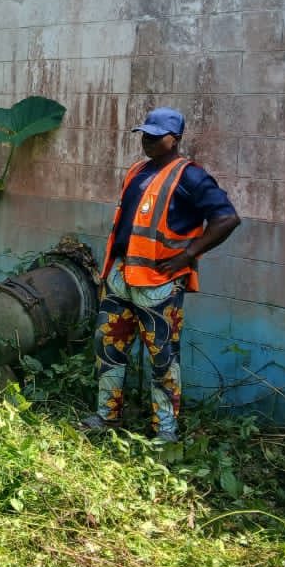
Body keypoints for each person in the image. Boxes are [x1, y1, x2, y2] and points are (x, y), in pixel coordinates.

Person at [79, 107, 240, 442]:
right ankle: (106, 417)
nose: (148, 141)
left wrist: (188, 255)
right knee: (108, 346)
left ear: (175, 139)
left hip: (159, 284)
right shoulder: (137, 171)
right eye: (145, 135)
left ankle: (165, 433)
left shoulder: (191, 176)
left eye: (156, 136)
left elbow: (227, 219)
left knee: (163, 359)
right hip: (121, 276)